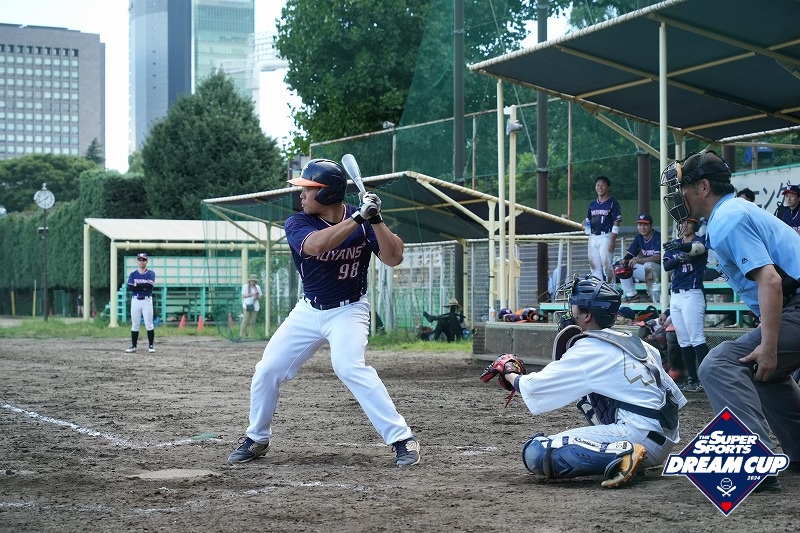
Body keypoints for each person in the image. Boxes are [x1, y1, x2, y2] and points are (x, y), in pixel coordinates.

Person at [228, 158, 420, 467]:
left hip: (349, 310)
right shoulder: (298, 223)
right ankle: (257, 438)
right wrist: (359, 217)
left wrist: (376, 219)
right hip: (309, 310)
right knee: (267, 369)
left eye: (308, 189)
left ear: (328, 193)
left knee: (348, 366)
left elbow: (394, 257)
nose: (301, 195)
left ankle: (402, 439)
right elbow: (316, 246)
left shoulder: (364, 221)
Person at [661, 150, 800, 488]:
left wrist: (769, 346)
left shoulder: (728, 218)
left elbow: (771, 281)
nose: (679, 195)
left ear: (703, 186)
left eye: (684, 186)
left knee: (719, 364)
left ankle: (754, 463)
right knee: (763, 370)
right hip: (794, 305)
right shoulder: (732, 212)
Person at [486, 276, 686, 488]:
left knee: (536, 451)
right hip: (664, 439)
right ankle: (625, 454)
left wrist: (509, 372)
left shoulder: (589, 348)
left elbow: (533, 386)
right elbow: (676, 399)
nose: (569, 312)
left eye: (573, 307)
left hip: (638, 435)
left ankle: (621, 455)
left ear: (587, 315)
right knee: (587, 396)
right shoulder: (638, 342)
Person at [662, 217, 709, 392]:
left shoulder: (700, 240)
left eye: (688, 222)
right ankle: (692, 379)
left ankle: (707, 380)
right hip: (676, 295)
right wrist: (678, 256)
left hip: (693, 293)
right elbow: (667, 265)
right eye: (682, 222)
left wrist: (681, 249)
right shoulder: (675, 244)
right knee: (683, 340)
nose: (685, 225)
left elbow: (697, 249)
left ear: (695, 225)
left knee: (697, 338)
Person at [585, 176, 621, 283]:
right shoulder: (592, 204)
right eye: (598, 185)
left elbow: (616, 221)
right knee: (594, 266)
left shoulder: (613, 202)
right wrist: (585, 222)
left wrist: (613, 240)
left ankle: (611, 287)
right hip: (593, 236)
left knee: (607, 264)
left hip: (606, 236)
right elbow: (589, 219)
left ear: (608, 187)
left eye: (603, 185)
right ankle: (599, 288)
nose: (600, 187)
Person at [618, 214, 661, 302]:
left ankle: (652, 295)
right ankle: (631, 295)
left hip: (660, 272)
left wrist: (639, 260)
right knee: (623, 267)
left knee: (648, 265)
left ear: (651, 225)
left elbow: (658, 258)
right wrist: (623, 261)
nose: (642, 228)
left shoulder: (658, 236)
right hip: (647, 271)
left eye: (645, 225)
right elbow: (629, 255)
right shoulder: (639, 238)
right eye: (640, 225)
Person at [125, 252, 156, 353]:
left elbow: (149, 286)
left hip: (147, 300)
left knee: (149, 324)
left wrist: (137, 285)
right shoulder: (133, 274)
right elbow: (130, 287)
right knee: (135, 324)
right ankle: (134, 346)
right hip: (136, 300)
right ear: (137, 261)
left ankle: (151, 346)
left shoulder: (150, 273)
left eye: (143, 260)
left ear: (147, 261)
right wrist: (143, 286)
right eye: (140, 259)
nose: (141, 261)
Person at [240, 274, 262, 338]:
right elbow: (243, 296)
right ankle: (242, 334)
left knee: (253, 321)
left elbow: (260, 296)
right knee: (245, 320)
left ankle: (251, 335)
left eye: (254, 281)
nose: (253, 282)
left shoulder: (258, 287)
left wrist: (256, 296)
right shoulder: (245, 287)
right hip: (247, 305)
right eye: (252, 281)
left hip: (255, 305)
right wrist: (251, 294)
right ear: (250, 281)